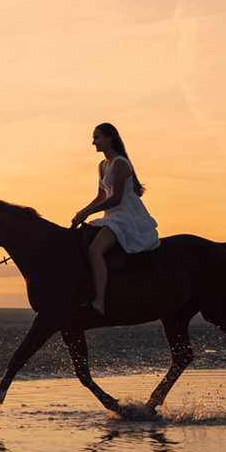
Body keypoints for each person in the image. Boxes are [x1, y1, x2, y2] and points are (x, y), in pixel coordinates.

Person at [70, 123, 159, 315]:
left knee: (95, 250)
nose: (93, 142)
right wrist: (82, 212)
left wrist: (89, 213)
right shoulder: (102, 165)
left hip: (125, 216)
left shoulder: (119, 163)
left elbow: (116, 198)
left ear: (109, 138)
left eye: (97, 137)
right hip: (111, 216)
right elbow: (101, 196)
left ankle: (99, 302)